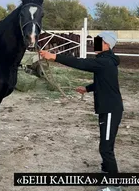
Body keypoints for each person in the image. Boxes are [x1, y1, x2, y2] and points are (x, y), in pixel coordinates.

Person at [39, 31, 123, 191]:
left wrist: (54, 57)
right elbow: (105, 81)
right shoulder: (105, 61)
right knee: (106, 144)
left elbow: (80, 63)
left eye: (98, 41)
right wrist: (87, 88)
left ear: (107, 44)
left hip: (110, 110)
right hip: (108, 108)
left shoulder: (105, 62)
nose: (95, 44)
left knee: (105, 147)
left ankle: (114, 185)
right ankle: (107, 171)